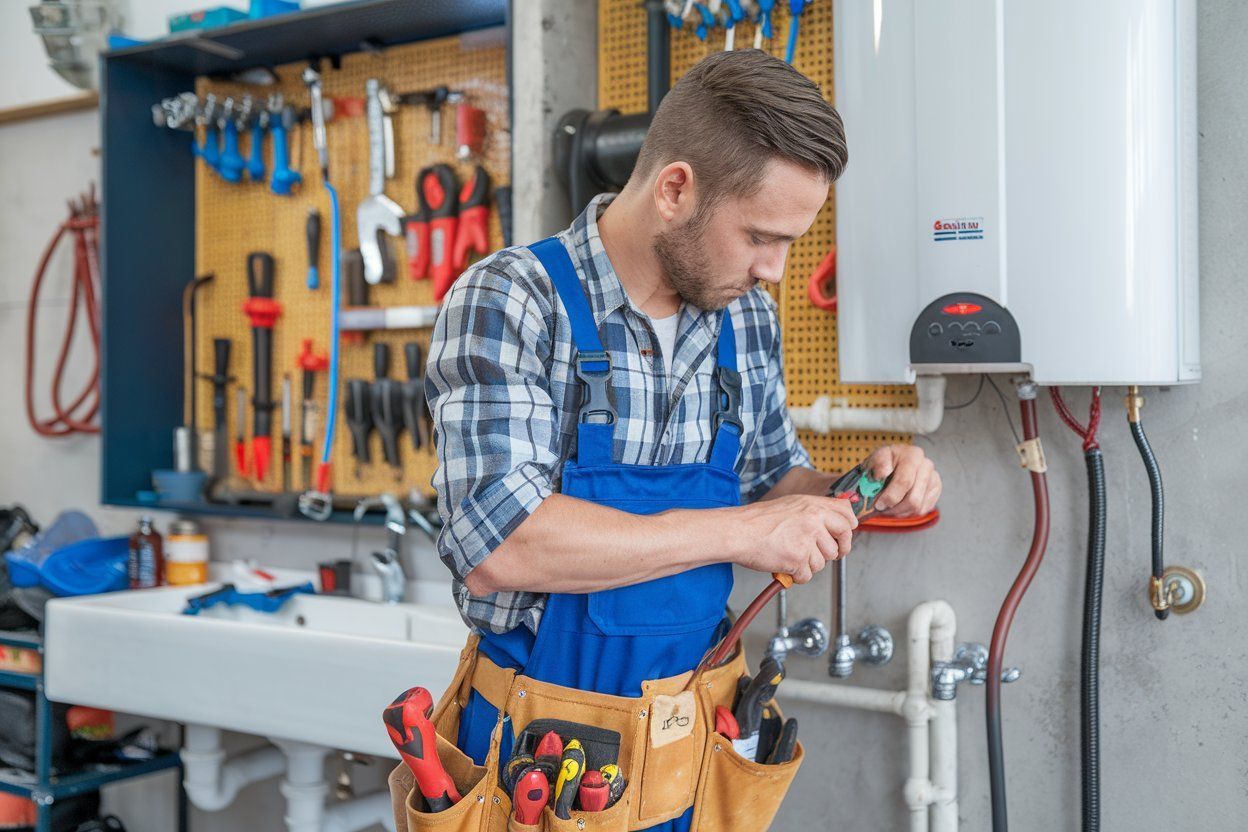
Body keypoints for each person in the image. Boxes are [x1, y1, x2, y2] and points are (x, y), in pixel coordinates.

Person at [424, 49, 941, 830]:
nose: (776, 270)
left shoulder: (745, 317)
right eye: (760, 235)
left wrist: (860, 486)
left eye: (790, 241)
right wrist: (741, 532)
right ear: (675, 190)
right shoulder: (514, 300)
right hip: (539, 757)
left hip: (691, 746)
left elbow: (771, 481)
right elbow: (502, 545)